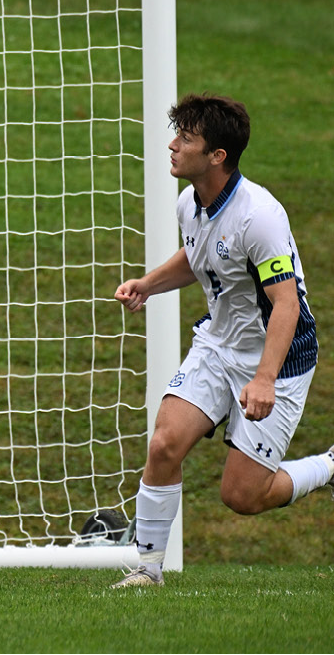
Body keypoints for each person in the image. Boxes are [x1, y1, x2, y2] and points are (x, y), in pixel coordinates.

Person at [111, 94, 329, 589]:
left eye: (186, 138)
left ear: (217, 157)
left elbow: (287, 305)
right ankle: (147, 571)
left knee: (243, 496)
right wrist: (148, 283)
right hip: (218, 345)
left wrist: (265, 379)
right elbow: (198, 257)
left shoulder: (261, 218)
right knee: (165, 443)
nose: (172, 145)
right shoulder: (191, 201)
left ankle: (330, 465)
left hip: (279, 359)